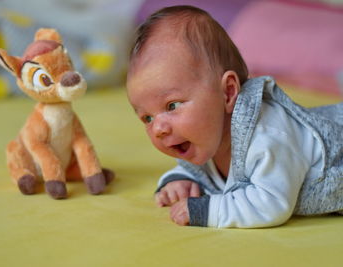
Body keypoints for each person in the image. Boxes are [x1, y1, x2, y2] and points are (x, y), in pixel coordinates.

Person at [126, 5, 343, 228]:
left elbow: (271, 203)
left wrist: (210, 210)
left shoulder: (267, 136)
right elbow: (195, 167)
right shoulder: (205, 135)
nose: (158, 128)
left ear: (228, 92)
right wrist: (181, 181)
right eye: (147, 118)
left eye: (172, 105)